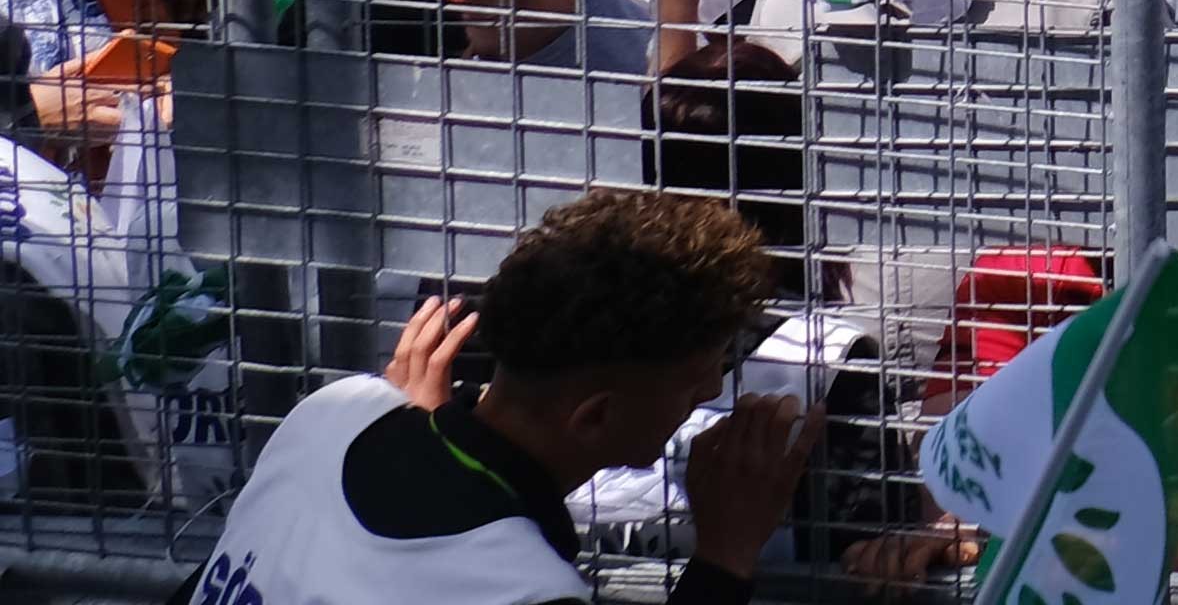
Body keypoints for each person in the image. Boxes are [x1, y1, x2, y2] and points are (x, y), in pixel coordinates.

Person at [199, 185, 810, 604]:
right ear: (594, 417)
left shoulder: (332, 414)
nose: (713, 387)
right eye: (699, 374)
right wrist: (725, 559)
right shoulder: (521, 588)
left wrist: (413, 422)